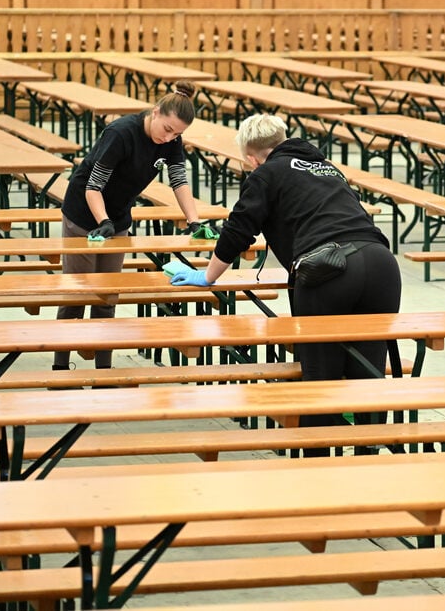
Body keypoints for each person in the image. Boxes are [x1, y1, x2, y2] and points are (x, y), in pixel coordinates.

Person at [170, 113, 402, 456]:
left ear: (251, 157)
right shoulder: (326, 168)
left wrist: (207, 276)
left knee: (319, 377)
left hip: (329, 270)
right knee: (368, 372)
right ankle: (367, 464)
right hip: (382, 264)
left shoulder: (266, 173)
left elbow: (238, 230)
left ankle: (316, 470)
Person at [52, 79, 208, 373]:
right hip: (84, 214)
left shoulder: (172, 141)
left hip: (118, 216)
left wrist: (194, 220)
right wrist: (103, 222)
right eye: (167, 129)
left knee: (107, 295)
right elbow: (93, 185)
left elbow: (179, 180)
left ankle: (104, 369)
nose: (170, 137)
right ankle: (60, 367)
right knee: (77, 294)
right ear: (156, 112)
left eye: (178, 133)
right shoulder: (121, 133)